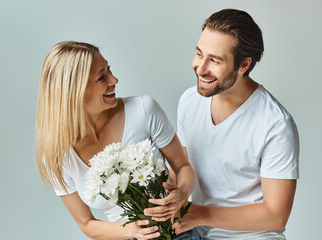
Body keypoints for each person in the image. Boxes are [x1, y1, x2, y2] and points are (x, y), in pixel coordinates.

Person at [36, 41, 196, 239]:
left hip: (178, 233)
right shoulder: (57, 155)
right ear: (74, 92)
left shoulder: (143, 110)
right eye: (101, 77)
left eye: (109, 69)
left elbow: (183, 166)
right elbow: (86, 224)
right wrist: (131, 230)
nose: (114, 80)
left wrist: (180, 194)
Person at [170, 9, 299, 240]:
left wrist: (197, 213)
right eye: (199, 54)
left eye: (215, 60)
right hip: (193, 232)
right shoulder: (189, 100)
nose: (200, 68)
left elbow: (276, 215)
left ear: (243, 65)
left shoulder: (276, 124)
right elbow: (182, 166)